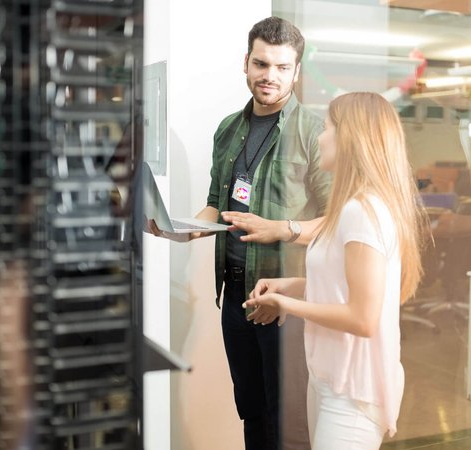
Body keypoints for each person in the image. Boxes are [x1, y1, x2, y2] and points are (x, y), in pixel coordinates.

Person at [149, 16, 331, 450]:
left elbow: (335, 219)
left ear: (296, 71)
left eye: (282, 67)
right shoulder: (228, 129)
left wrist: (283, 230)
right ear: (246, 63)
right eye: (262, 64)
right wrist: (185, 231)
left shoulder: (314, 133)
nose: (269, 76)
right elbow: (218, 203)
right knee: (250, 409)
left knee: (288, 421)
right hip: (235, 295)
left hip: (286, 299)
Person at [243, 92, 427, 450]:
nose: (319, 137)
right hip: (328, 377)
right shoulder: (351, 208)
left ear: (350, 138)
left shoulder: (363, 212)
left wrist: (286, 305)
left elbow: (362, 318)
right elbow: (342, 286)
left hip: (353, 392)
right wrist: (291, 286)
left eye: (327, 128)